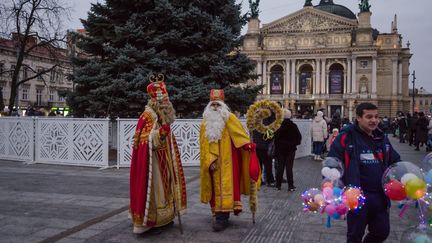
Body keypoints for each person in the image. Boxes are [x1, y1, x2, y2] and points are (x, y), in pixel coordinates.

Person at [328, 102, 401, 242]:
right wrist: (334, 189)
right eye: (369, 117)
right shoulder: (346, 137)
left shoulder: (382, 138)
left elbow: (395, 161)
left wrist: (402, 177)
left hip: (380, 196)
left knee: (382, 232)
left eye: (376, 116)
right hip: (357, 198)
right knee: (354, 236)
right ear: (359, 118)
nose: (373, 120)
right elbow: (332, 164)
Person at [129, 77, 187, 234]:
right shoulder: (147, 116)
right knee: (156, 191)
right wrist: (159, 134)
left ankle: (166, 218)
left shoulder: (163, 115)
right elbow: (142, 140)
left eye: (167, 101)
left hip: (165, 159)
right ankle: (150, 222)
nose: (167, 104)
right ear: (155, 101)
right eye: (164, 101)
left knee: (166, 189)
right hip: (152, 162)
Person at [200, 89, 260, 232]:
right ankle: (217, 213)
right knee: (215, 190)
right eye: (213, 105)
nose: (215, 108)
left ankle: (223, 217)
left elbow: (240, 136)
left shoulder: (230, 118)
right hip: (213, 163)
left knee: (227, 188)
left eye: (218, 105)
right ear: (209, 106)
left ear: (223, 105)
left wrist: (248, 145)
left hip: (229, 162)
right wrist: (210, 161)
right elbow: (203, 146)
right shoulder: (205, 123)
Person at [274, 109, 301, 191]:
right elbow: (299, 138)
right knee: (289, 167)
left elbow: (275, 138)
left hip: (280, 150)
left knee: (280, 167)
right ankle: (291, 186)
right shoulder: (293, 126)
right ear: (290, 116)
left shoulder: (278, 126)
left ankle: (278, 185)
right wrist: (293, 144)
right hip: (290, 150)